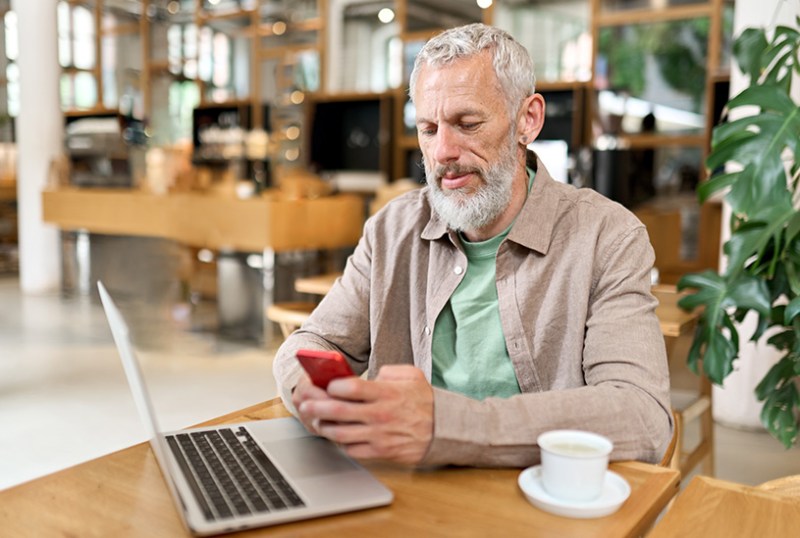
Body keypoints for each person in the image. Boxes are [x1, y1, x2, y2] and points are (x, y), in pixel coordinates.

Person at [272, 23, 672, 468]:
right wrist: (310, 395)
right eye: (428, 128)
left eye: (468, 124)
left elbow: (641, 415)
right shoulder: (392, 230)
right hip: (404, 492)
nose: (442, 151)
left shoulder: (607, 236)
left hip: (541, 497)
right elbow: (312, 342)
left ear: (528, 120)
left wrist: (447, 426)